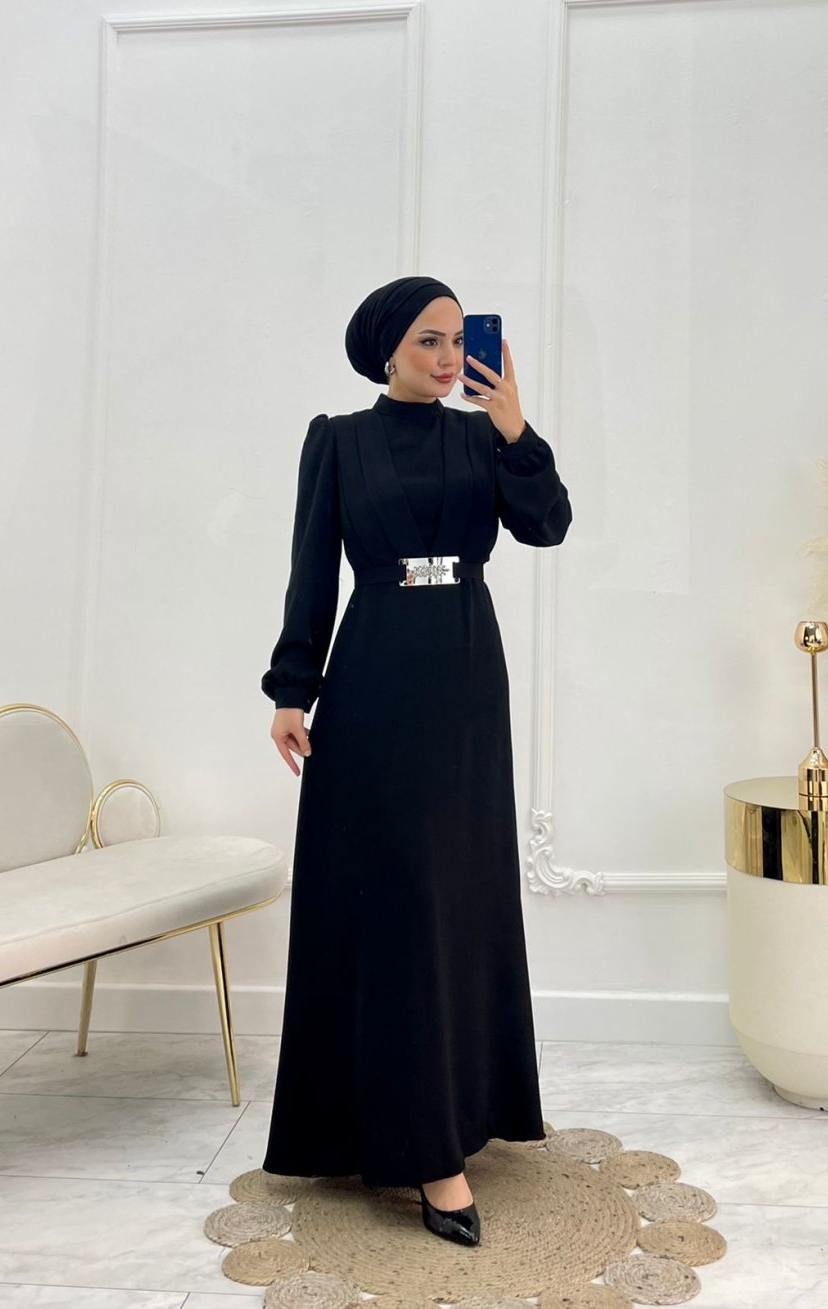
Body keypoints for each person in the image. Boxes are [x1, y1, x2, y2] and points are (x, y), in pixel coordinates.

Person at [260, 276, 572, 1246]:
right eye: (429, 340)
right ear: (387, 348)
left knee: (457, 900)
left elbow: (548, 524)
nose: (448, 358)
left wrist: (514, 426)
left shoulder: (483, 438)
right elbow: (312, 570)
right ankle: (424, 1152)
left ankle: (455, 1115)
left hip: (467, 678)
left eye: (458, 340)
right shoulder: (338, 441)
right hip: (375, 674)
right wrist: (290, 689)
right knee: (394, 903)